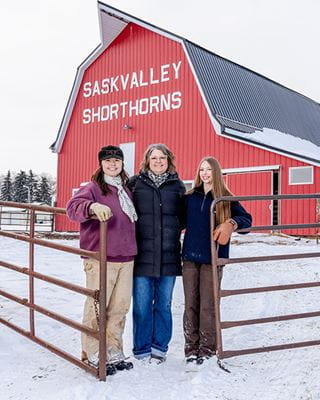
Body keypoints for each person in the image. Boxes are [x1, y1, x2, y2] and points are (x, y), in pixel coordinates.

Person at [66, 145, 138, 376]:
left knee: (119, 308)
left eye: (117, 160)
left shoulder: (125, 190)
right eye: (108, 161)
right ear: (101, 164)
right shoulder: (93, 188)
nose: (113, 164)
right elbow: (72, 208)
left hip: (126, 257)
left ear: (122, 163)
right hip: (100, 258)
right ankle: (93, 353)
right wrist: (91, 206)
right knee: (98, 307)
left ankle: (114, 350)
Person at [181, 156, 252, 365]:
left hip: (213, 258)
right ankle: (190, 347)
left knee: (208, 305)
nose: (205, 173)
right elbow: (176, 221)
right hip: (190, 258)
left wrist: (232, 222)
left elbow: (247, 220)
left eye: (209, 170)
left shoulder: (226, 199)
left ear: (216, 173)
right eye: (201, 169)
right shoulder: (189, 197)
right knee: (190, 303)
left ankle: (207, 348)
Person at [127, 143, 186, 363]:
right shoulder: (134, 184)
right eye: (154, 158)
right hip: (141, 256)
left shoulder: (177, 187)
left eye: (162, 158)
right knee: (142, 306)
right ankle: (141, 350)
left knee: (164, 305)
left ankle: (159, 347)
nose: (158, 162)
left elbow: (185, 217)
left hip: (169, 256)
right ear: (147, 161)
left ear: (169, 160)